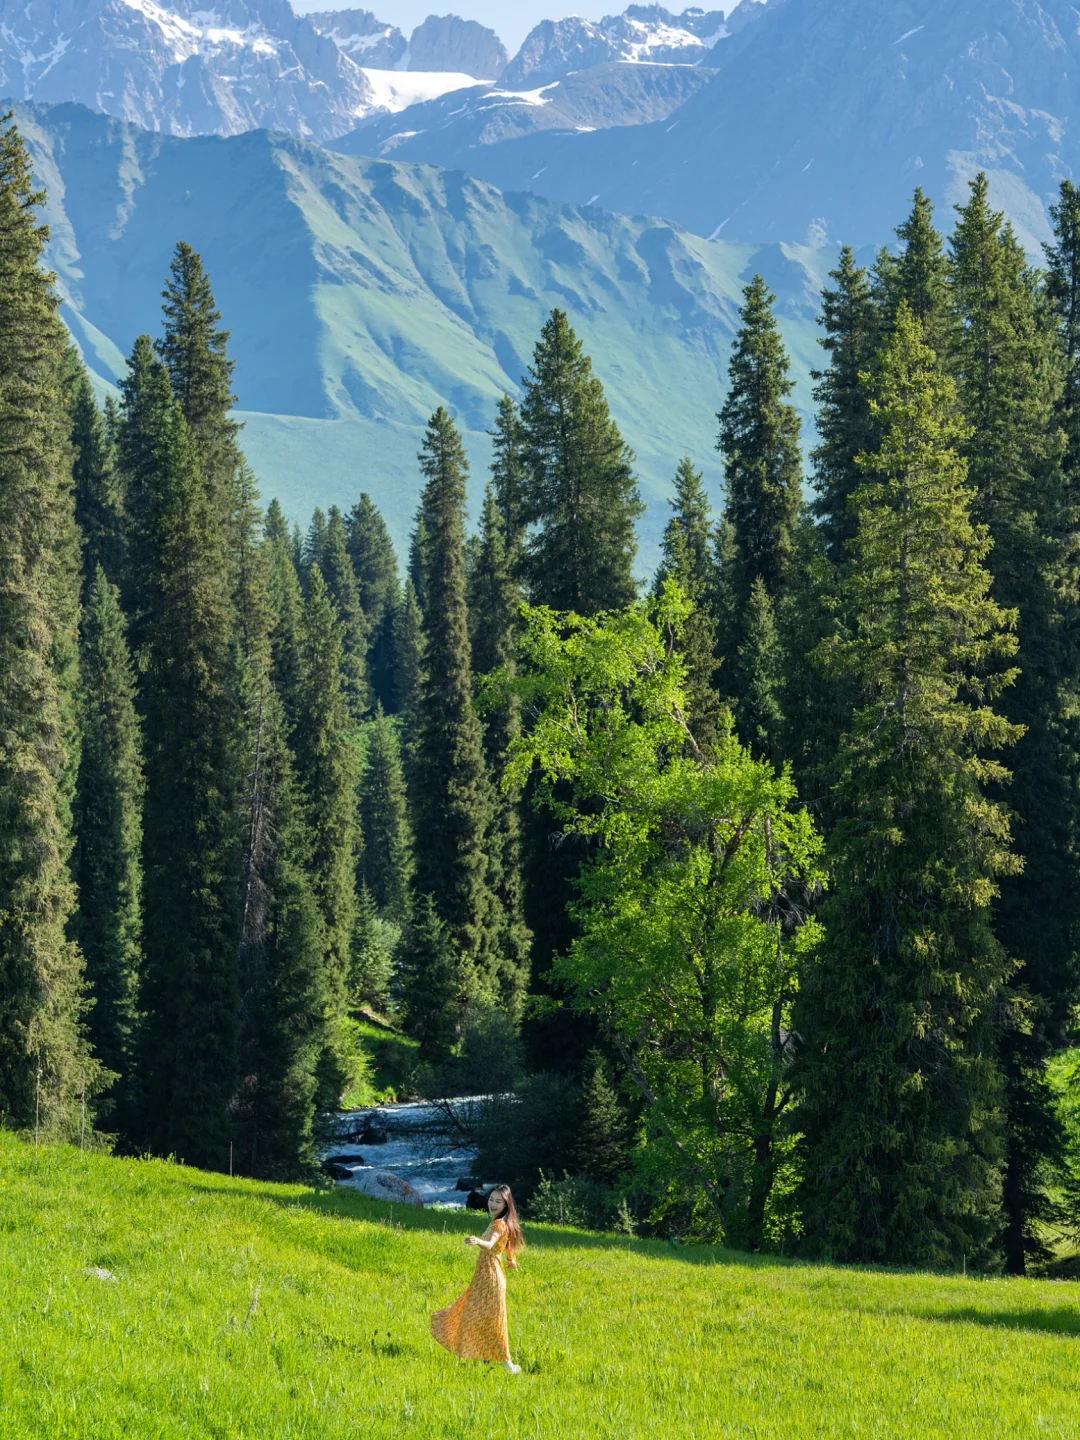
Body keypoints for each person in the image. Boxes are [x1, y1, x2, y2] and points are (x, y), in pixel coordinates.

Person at [430, 1184, 525, 1374]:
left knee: (487, 1317)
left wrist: (477, 1241)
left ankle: (506, 1362)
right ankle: (484, 1354)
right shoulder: (501, 1222)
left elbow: (491, 1244)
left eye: (498, 1201)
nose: (493, 1204)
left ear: (506, 1204)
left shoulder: (498, 1224)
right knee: (477, 1314)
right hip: (487, 1276)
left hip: (490, 1277)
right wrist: (510, 1258)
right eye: (491, 1199)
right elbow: (505, 1244)